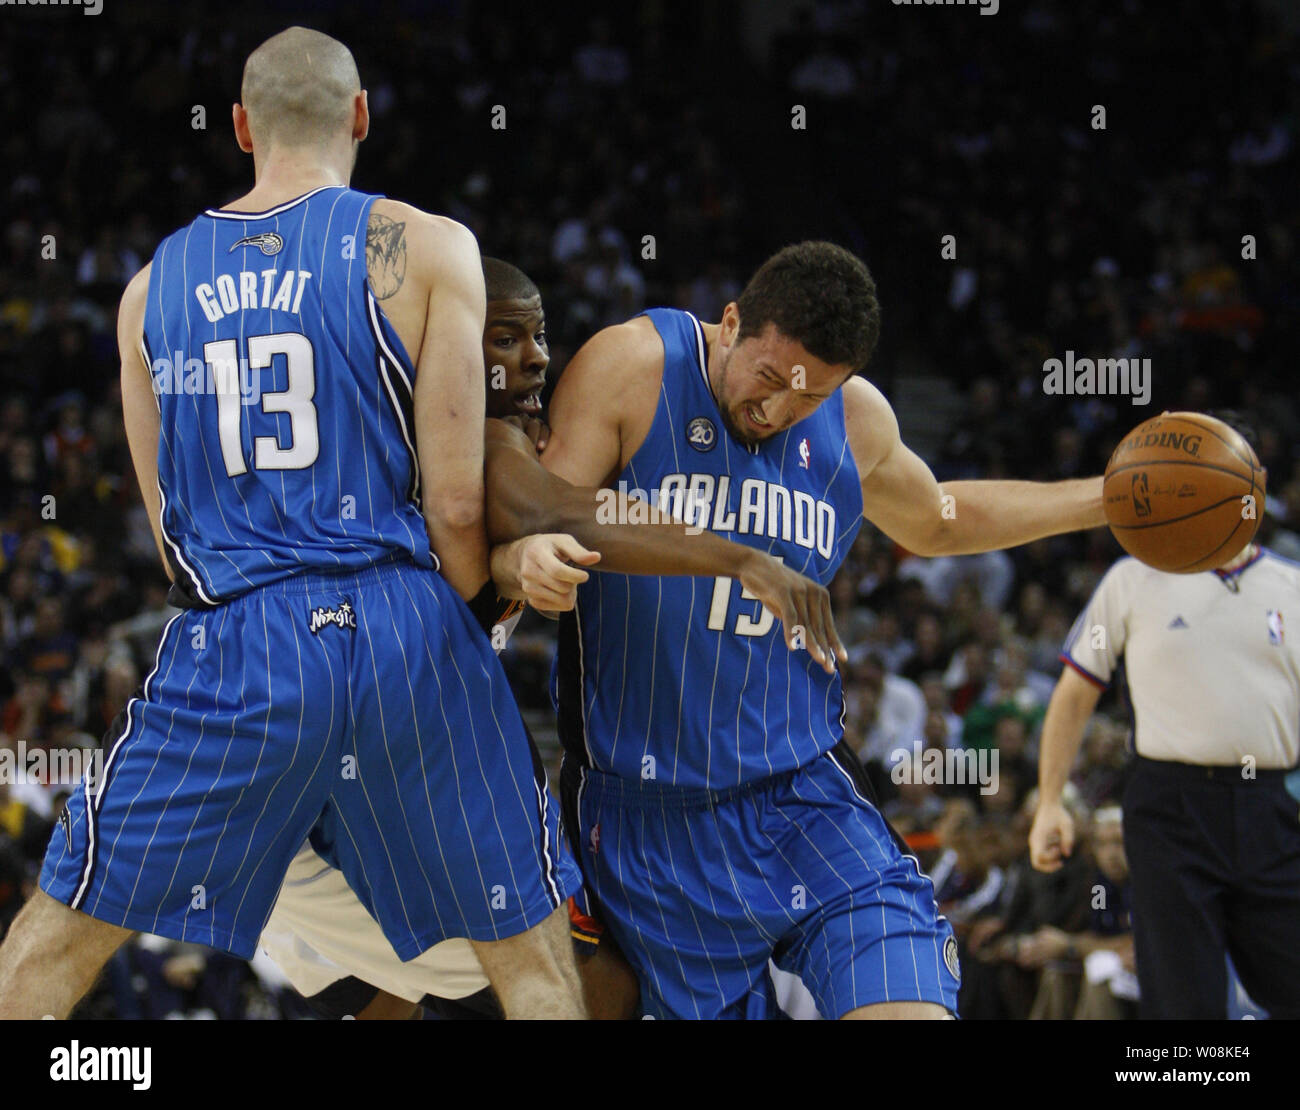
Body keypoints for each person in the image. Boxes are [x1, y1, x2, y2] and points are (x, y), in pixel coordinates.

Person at [0, 28, 589, 1019]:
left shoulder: (148, 291)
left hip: (239, 632)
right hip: (402, 616)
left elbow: (170, 534)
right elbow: (453, 502)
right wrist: (443, 618)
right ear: (360, 116)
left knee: (53, 942)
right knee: (527, 962)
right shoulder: (431, 246)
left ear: (239, 126)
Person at [537, 240, 1109, 1019]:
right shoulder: (635, 366)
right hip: (648, 811)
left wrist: (1102, 500)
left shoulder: (856, 418)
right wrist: (527, 565)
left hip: (804, 788)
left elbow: (940, 518)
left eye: (805, 399)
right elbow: (544, 508)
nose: (775, 410)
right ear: (732, 321)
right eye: (766, 379)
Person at [259, 258, 835, 1019]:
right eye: (504, 338)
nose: (534, 357)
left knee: (404, 990)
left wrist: (510, 563)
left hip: (285, 781)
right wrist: (739, 557)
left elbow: (488, 540)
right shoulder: (479, 434)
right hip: (336, 773)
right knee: (590, 983)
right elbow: (554, 511)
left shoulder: (379, 434)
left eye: (537, 335)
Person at [1029, 416, 1300, 1018]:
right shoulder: (1130, 579)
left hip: (1270, 808)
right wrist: (1050, 801)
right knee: (1186, 1009)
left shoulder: (1291, 587)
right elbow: (1074, 694)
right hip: (1168, 807)